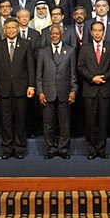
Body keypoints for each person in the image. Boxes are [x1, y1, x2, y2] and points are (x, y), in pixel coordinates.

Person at [0, 18, 36, 159]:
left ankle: (19, 149)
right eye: (8, 28)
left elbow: (30, 66)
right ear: (4, 30)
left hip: (21, 88)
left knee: (20, 120)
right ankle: (7, 149)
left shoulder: (25, 44)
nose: (11, 30)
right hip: (3, 88)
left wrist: (31, 85)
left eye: (13, 28)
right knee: (6, 120)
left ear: (18, 29)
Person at [35, 24, 78, 159]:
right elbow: (39, 75)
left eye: (56, 33)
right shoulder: (43, 51)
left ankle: (63, 148)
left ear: (61, 34)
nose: (54, 36)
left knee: (64, 123)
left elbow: (73, 74)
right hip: (47, 93)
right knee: (48, 124)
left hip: (64, 92)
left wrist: (74, 90)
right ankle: (52, 148)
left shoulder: (70, 51)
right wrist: (40, 92)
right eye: (52, 34)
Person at [77, 21, 110, 159]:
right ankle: (91, 150)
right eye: (95, 30)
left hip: (105, 89)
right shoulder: (84, 48)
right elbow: (80, 67)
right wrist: (93, 78)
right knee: (90, 121)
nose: (97, 33)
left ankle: (101, 149)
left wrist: (103, 77)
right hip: (90, 89)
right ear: (91, 32)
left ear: (104, 32)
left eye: (100, 30)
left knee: (103, 121)